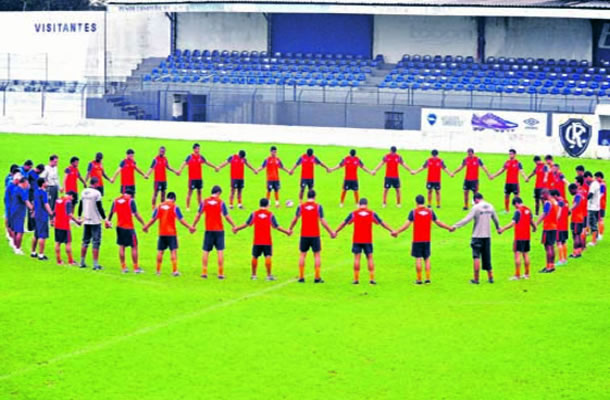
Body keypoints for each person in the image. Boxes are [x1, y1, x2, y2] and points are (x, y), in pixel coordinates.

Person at [392, 194, 452, 284]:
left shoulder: (413, 212)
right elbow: (438, 222)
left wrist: (397, 232)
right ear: (424, 201)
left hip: (417, 239)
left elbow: (406, 225)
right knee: (427, 258)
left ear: (416, 202)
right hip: (427, 239)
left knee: (418, 258)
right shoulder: (430, 212)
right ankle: (428, 279)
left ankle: (419, 279)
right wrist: (449, 228)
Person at [334, 198, 393, 284]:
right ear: (367, 204)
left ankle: (356, 279)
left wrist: (335, 231)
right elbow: (381, 223)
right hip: (368, 240)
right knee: (370, 258)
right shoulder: (371, 213)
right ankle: (372, 279)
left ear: (359, 204)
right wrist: (391, 230)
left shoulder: (354, 213)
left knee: (357, 258)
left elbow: (344, 223)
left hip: (357, 239)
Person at [233, 197, 291, 281]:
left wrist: (237, 228)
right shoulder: (270, 215)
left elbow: (246, 224)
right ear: (267, 205)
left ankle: (253, 275)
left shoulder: (254, 214)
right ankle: (268, 276)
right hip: (267, 240)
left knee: (255, 256)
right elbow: (276, 226)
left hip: (257, 240)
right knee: (268, 256)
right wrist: (287, 232)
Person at [142, 192, 195, 276]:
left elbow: (153, 218)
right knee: (173, 251)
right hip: (171, 233)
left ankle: (158, 271)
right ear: (173, 199)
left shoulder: (159, 206)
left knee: (160, 251)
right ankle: (174, 271)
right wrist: (190, 227)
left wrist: (146, 227)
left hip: (162, 233)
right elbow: (181, 219)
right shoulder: (174, 207)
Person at [288, 190, 335, 283]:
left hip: (304, 234)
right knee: (317, 255)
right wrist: (331, 232)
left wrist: (290, 228)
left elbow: (295, 219)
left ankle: (301, 277)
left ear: (307, 196)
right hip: (315, 234)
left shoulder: (301, 206)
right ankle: (317, 277)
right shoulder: (318, 207)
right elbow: (322, 221)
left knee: (302, 254)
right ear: (315, 196)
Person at [451, 192, 500, 284]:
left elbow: (467, 219)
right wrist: (498, 228)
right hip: (487, 236)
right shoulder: (490, 206)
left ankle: (476, 279)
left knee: (476, 256)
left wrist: (455, 226)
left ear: (476, 199)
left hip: (477, 236)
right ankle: (490, 277)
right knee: (487, 257)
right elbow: (495, 219)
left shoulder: (476, 207)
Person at [192, 186, 236, 279]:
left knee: (206, 251)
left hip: (208, 229)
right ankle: (220, 273)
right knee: (220, 251)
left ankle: (204, 272)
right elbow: (226, 216)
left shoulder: (204, 202)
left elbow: (198, 215)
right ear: (218, 193)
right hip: (219, 230)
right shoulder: (221, 202)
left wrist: (193, 225)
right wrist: (234, 225)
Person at [106, 187, 146, 273]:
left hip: (119, 227)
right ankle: (136, 268)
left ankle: (123, 267)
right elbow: (136, 214)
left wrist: (108, 221)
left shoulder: (116, 200)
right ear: (132, 195)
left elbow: (111, 212)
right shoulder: (131, 201)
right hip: (129, 227)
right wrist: (143, 224)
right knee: (134, 246)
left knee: (121, 246)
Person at [498, 197, 536, 280]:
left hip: (519, 236)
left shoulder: (518, 211)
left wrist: (503, 229)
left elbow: (513, 223)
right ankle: (527, 274)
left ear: (516, 203)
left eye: (514, 206)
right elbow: (531, 221)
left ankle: (517, 275)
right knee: (526, 254)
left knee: (517, 254)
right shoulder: (528, 210)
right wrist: (534, 228)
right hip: (527, 236)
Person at [177, 143, 218, 211]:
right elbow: (184, 163)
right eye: (197, 149)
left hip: (199, 178)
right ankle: (187, 207)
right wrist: (180, 170)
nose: (198, 150)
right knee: (190, 192)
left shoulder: (200, 157)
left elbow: (207, 162)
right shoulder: (190, 157)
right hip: (192, 178)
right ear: (194, 149)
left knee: (199, 192)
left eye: (199, 149)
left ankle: (199, 206)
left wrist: (215, 166)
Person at [78, 178, 106, 270]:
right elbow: (99, 207)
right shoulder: (97, 193)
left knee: (85, 241)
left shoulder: (83, 192)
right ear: (96, 183)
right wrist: (105, 219)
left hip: (86, 219)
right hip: (95, 220)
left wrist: (79, 216)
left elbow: (80, 205)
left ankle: (82, 262)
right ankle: (95, 264)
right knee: (96, 242)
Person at [489, 149, 527, 213]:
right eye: (509, 154)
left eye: (511, 154)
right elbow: (501, 170)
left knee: (516, 197)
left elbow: (521, 171)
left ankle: (518, 210)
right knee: (506, 196)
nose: (510, 155)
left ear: (515, 154)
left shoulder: (518, 163)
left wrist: (525, 177)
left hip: (515, 183)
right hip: (508, 183)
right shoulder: (507, 162)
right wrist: (494, 175)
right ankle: (506, 210)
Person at [535, 189, 560, 273]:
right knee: (551, 246)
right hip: (554, 226)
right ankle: (551, 265)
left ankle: (548, 266)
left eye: (542, 195)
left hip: (548, 227)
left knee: (548, 246)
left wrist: (536, 223)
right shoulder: (554, 202)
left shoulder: (548, 203)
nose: (541, 197)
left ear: (546, 194)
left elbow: (544, 213)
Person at [54, 191, 81, 266]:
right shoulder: (68, 202)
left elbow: (55, 211)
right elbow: (69, 213)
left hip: (57, 224)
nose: (72, 200)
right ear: (71, 196)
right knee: (68, 243)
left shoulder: (58, 200)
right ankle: (70, 261)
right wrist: (77, 221)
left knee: (57, 242)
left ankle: (58, 261)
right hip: (64, 225)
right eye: (73, 198)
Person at [30, 177, 54, 261]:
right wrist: (51, 213)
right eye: (46, 182)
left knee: (36, 234)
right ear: (43, 184)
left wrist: (32, 210)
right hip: (42, 216)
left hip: (37, 215)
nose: (47, 183)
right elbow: (46, 204)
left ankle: (33, 252)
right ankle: (41, 254)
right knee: (42, 236)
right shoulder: (43, 193)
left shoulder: (36, 191)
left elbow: (33, 202)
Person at [9, 177, 34, 255]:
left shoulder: (16, 189)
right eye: (27, 183)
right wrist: (33, 209)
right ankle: (18, 248)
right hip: (19, 212)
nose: (28, 185)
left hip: (13, 210)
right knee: (20, 231)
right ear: (24, 183)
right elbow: (26, 202)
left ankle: (15, 246)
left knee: (14, 229)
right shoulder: (21, 191)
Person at [568, 181, 587, 258]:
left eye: (570, 191)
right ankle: (578, 252)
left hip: (576, 219)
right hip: (580, 217)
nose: (570, 193)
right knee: (577, 235)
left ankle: (576, 252)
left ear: (573, 189)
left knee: (576, 235)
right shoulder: (581, 195)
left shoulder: (578, 196)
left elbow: (577, 203)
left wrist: (569, 209)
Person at [553, 190, 570, 266]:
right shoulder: (566, 201)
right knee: (564, 242)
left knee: (558, 242)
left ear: (555, 195)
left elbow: (558, 215)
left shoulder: (559, 203)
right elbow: (569, 212)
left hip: (559, 226)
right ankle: (565, 259)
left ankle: (560, 260)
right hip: (565, 225)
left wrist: (554, 219)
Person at [586, 172, 602, 247]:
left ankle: (593, 241)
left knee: (593, 224)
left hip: (592, 207)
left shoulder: (593, 184)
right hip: (596, 206)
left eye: (586, 178)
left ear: (589, 177)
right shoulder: (596, 183)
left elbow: (590, 195)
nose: (586, 180)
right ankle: (596, 237)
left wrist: (584, 198)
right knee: (594, 222)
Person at [595, 171, 606, 240]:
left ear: (599, 177)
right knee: (599, 219)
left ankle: (600, 234)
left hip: (600, 204)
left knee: (600, 219)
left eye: (596, 178)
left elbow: (601, 194)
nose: (595, 179)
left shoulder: (602, 185)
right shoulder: (601, 184)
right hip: (600, 204)